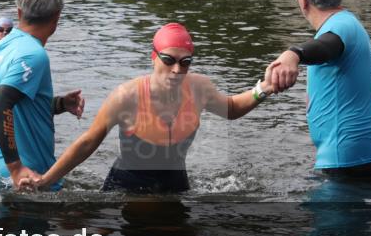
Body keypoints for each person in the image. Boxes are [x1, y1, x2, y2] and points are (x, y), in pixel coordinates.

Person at [30, 23, 277, 194]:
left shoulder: (199, 88)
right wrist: (46, 181)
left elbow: (231, 108)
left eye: (185, 62)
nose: (177, 70)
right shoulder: (127, 96)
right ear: (153, 57)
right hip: (126, 189)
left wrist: (262, 89)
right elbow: (88, 142)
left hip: (176, 185)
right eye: (168, 60)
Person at [264, 0, 371, 179]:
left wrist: (293, 54)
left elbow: (325, 46)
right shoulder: (348, 23)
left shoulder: (340, 28)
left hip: (348, 161)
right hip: (363, 155)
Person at [0, 0, 84, 190]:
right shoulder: (35, 55)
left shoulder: (2, 45)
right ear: (56, 18)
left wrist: (60, 104)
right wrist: (16, 168)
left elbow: (17, 103)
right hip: (27, 178)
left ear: (19, 13)